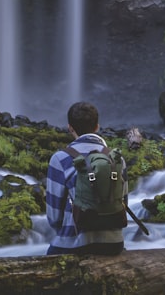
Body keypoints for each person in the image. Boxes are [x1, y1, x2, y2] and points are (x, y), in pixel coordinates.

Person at [45, 101, 126, 255]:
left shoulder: (59, 159)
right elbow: (122, 203)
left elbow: (54, 217)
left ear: (70, 128)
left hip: (72, 245)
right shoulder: (116, 159)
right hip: (113, 244)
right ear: (97, 127)